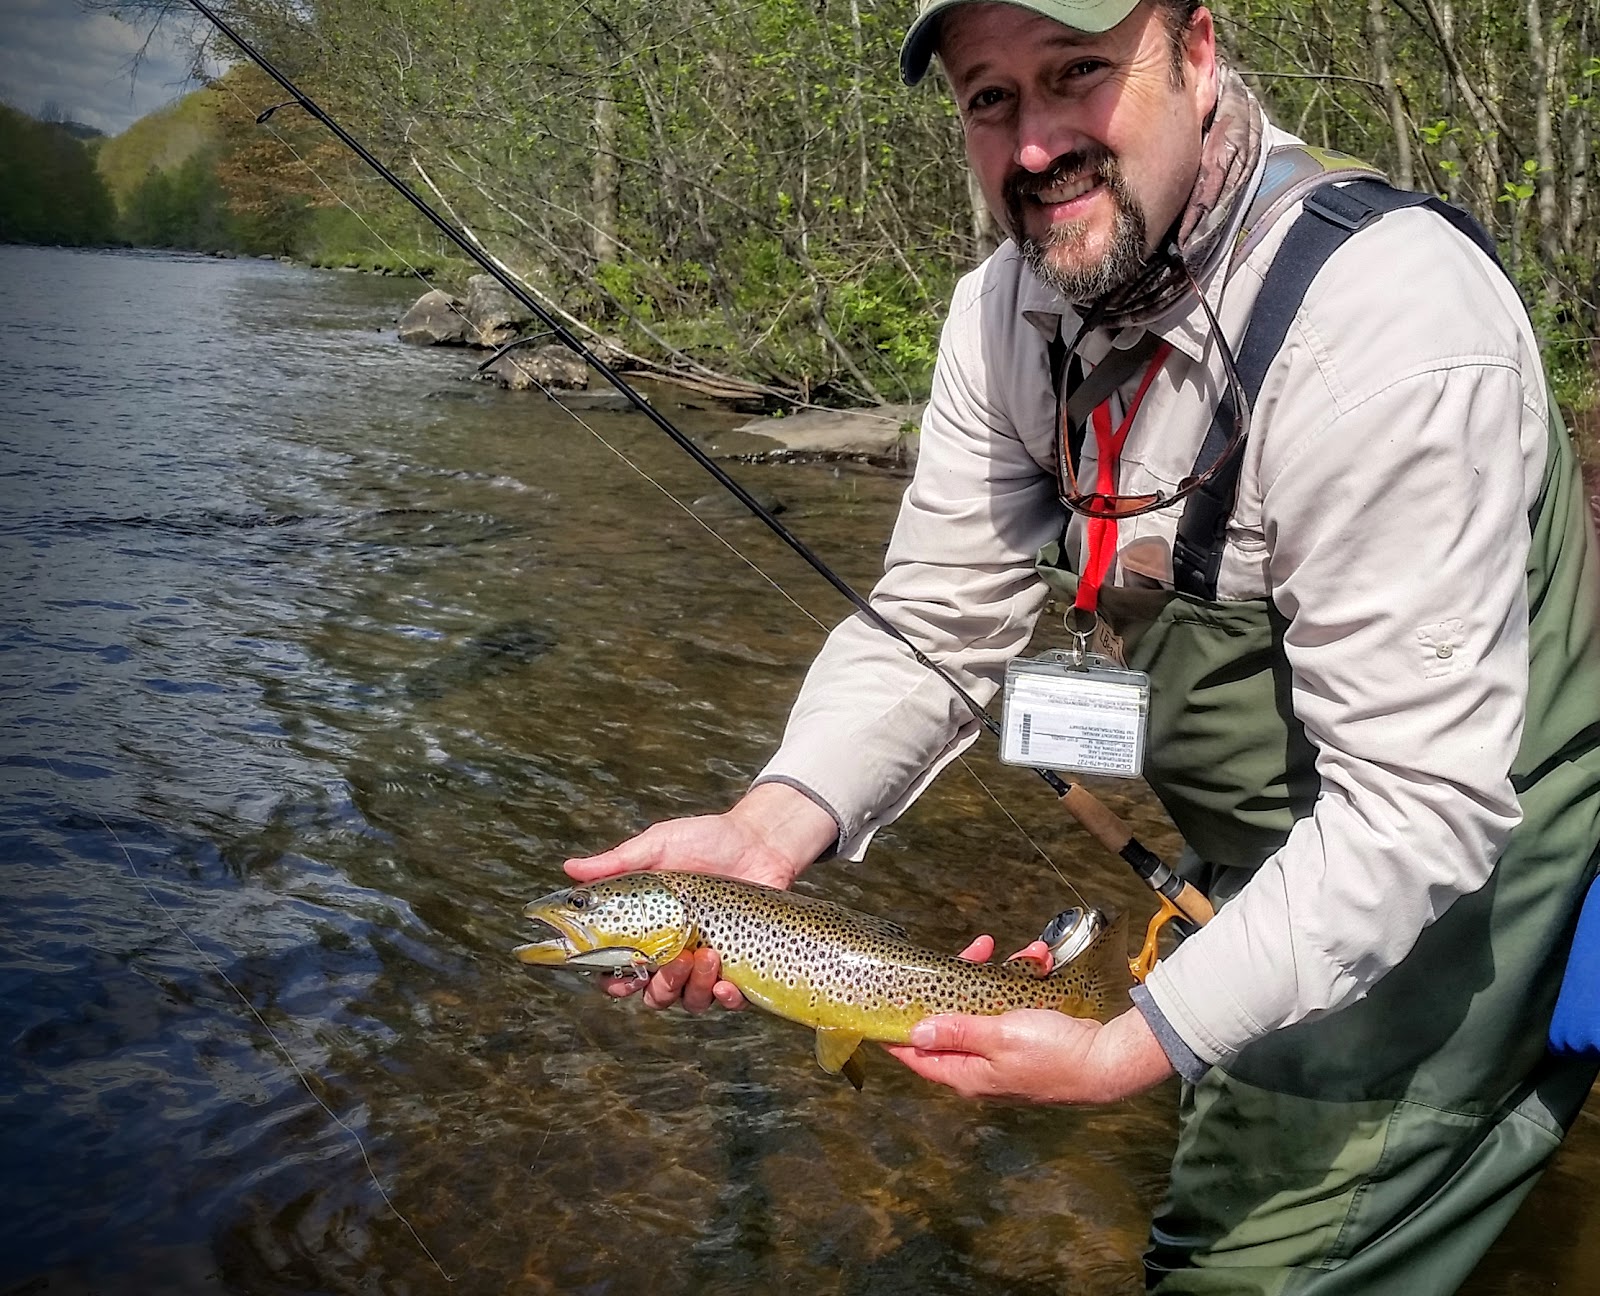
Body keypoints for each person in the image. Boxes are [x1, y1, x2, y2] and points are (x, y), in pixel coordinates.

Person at [568, 1, 1600, 1290]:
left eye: (1078, 74)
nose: (1036, 142)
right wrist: (772, 828)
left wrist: (1128, 1046)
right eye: (989, 99)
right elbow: (941, 619)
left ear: (1201, 52)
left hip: (1465, 862)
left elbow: (1419, 805)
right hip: (1269, 854)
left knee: (1227, 1269)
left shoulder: (1384, 326)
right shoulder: (1005, 314)